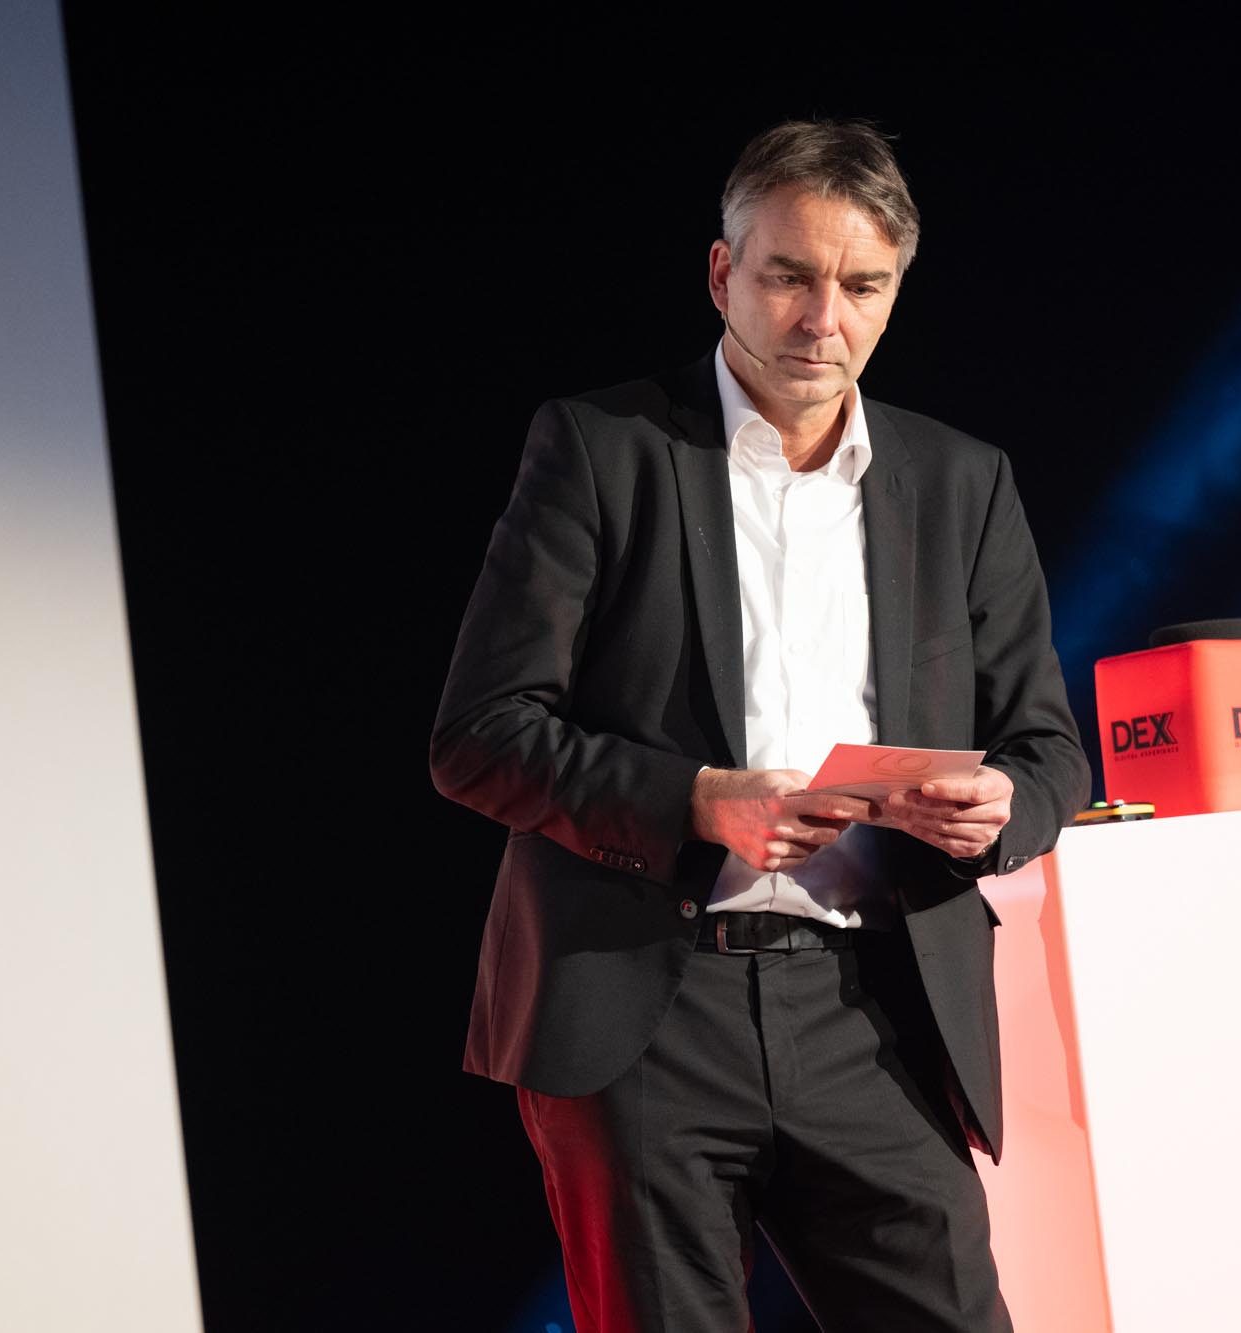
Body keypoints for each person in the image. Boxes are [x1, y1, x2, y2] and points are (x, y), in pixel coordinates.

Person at [431, 119, 1089, 1332]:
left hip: (875, 1004)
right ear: (722, 272)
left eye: (862, 285)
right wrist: (695, 801)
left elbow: (1048, 751)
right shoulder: (602, 448)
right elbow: (479, 736)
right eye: (789, 275)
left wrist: (1004, 807)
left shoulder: (961, 481)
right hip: (645, 1009)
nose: (821, 319)